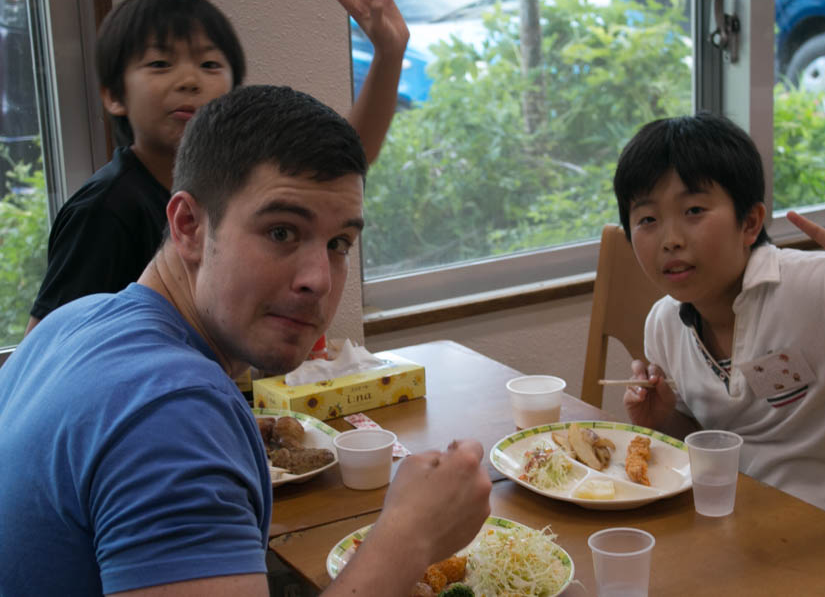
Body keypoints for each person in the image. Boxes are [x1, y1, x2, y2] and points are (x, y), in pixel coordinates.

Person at [0, 85, 492, 596]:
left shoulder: (74, 322)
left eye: (338, 243)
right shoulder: (174, 415)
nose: (319, 279)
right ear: (188, 226)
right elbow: (162, 433)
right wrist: (408, 539)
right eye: (281, 232)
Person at [613, 112, 825, 548]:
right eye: (647, 219)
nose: (670, 239)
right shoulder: (664, 324)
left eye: (693, 210)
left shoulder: (823, 287)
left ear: (749, 223)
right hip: (742, 539)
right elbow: (706, 444)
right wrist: (663, 419)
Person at [25, 0, 409, 334]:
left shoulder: (232, 179)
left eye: (209, 64)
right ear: (113, 94)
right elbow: (47, 354)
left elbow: (339, 167)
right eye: (160, 64)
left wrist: (389, 54)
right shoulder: (106, 209)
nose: (189, 80)